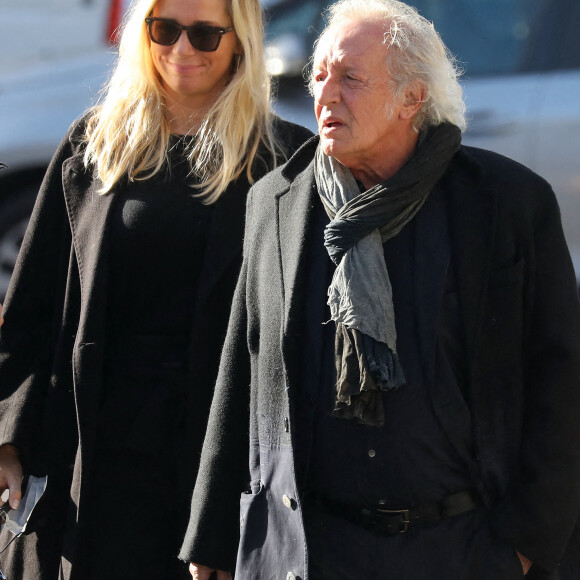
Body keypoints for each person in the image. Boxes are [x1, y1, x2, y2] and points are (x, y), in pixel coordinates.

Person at [179, 0, 580, 578]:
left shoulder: (505, 204)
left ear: (412, 98)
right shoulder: (276, 202)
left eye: (350, 78)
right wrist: (214, 537)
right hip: (309, 550)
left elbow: (559, 379)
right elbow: (244, 367)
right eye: (320, 76)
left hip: (461, 549)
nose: (325, 95)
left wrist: (526, 543)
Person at [0, 0, 311, 577]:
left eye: (204, 34)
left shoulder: (284, 160)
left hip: (214, 459)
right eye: (164, 30)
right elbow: (32, 304)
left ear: (239, 39)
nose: (182, 49)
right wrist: (9, 436)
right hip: (90, 452)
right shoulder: (94, 145)